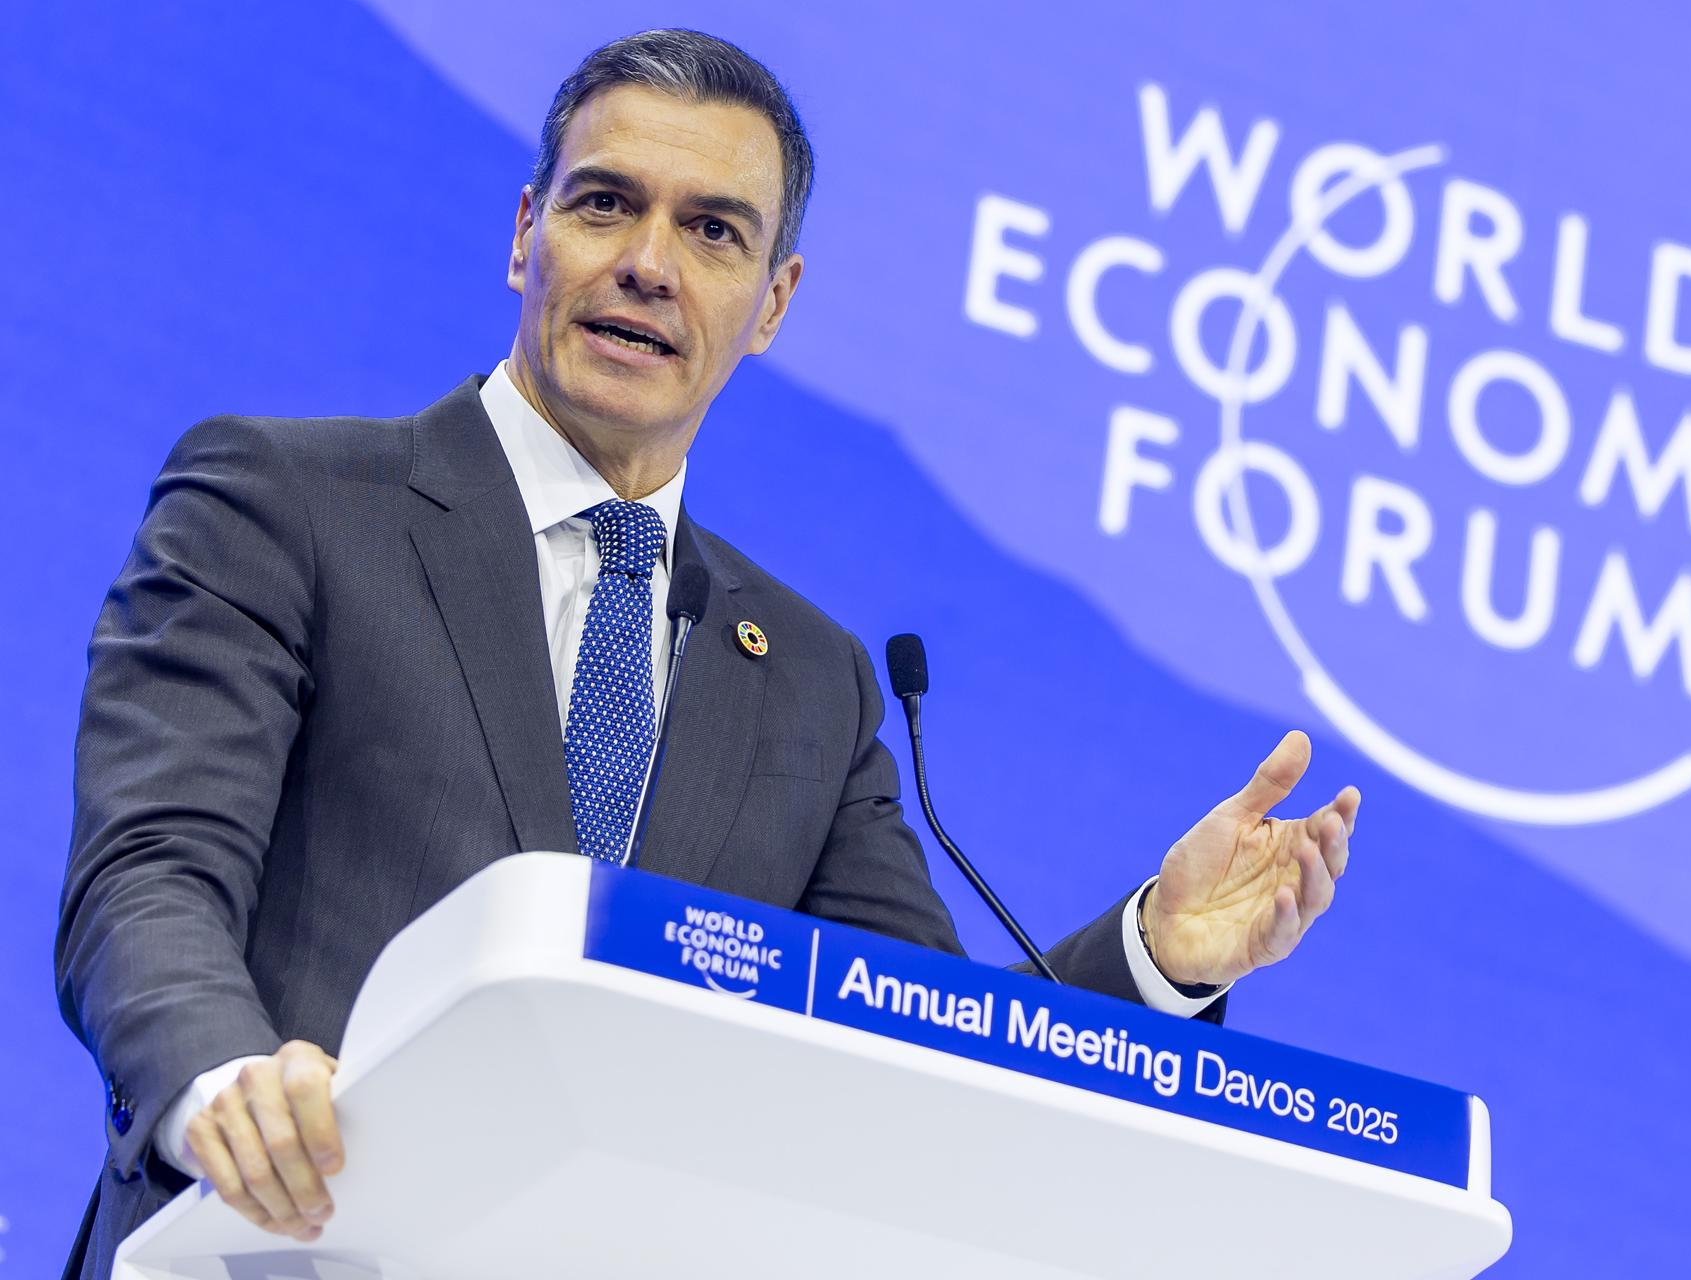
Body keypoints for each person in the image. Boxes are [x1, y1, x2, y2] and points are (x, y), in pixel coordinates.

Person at [55, 29, 1358, 1277]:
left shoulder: (809, 678)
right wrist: (226, 1085)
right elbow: (149, 876)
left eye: (713, 230)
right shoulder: (285, 503)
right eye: (607, 204)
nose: (649, 264)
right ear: (527, 234)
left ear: (775, 301)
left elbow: (931, 1049)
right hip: (269, 1246)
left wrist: (1160, 954)